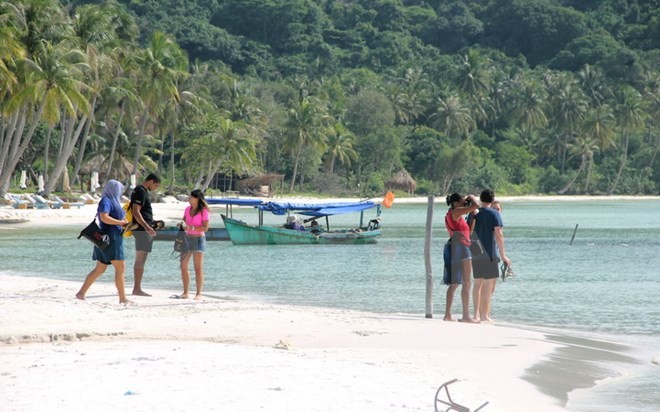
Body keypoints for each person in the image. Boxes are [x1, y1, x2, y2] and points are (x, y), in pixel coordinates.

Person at [76, 180, 130, 303]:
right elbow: (104, 217)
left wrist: (122, 222)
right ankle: (122, 298)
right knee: (120, 268)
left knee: (100, 269)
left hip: (105, 238)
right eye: (118, 189)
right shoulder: (107, 201)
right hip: (111, 238)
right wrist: (120, 222)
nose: (120, 192)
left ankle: (81, 293)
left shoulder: (112, 201)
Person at [468, 189, 511, 322]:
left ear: (481, 199)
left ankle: (475, 315)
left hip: (475, 249)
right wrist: (503, 255)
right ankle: (485, 316)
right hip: (489, 250)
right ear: (492, 200)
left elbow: (469, 230)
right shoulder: (494, 214)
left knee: (477, 283)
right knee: (487, 285)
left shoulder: (474, 213)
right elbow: (499, 234)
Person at [443, 192, 480, 322]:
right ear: (456, 203)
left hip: (457, 246)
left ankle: (448, 314)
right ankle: (465, 316)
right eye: (463, 201)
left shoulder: (452, 214)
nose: (465, 203)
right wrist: (471, 197)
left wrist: (473, 217)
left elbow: (468, 232)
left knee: (454, 283)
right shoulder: (457, 211)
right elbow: (476, 205)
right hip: (462, 248)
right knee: (467, 282)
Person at [174, 189, 210, 300]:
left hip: (198, 239)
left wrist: (191, 227)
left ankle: (198, 293)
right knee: (183, 266)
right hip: (186, 238)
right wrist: (180, 225)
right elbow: (184, 222)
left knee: (197, 268)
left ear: (197, 198)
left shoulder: (204, 211)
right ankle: (185, 292)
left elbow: (206, 228)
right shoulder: (187, 209)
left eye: (191, 197)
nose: (189, 199)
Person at [130, 173, 161, 296]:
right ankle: (137, 288)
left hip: (142, 229)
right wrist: (147, 226)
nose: (155, 188)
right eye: (156, 185)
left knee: (142, 258)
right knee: (141, 258)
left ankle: (137, 288)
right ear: (151, 181)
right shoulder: (141, 191)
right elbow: (136, 211)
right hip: (142, 230)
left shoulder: (139, 190)